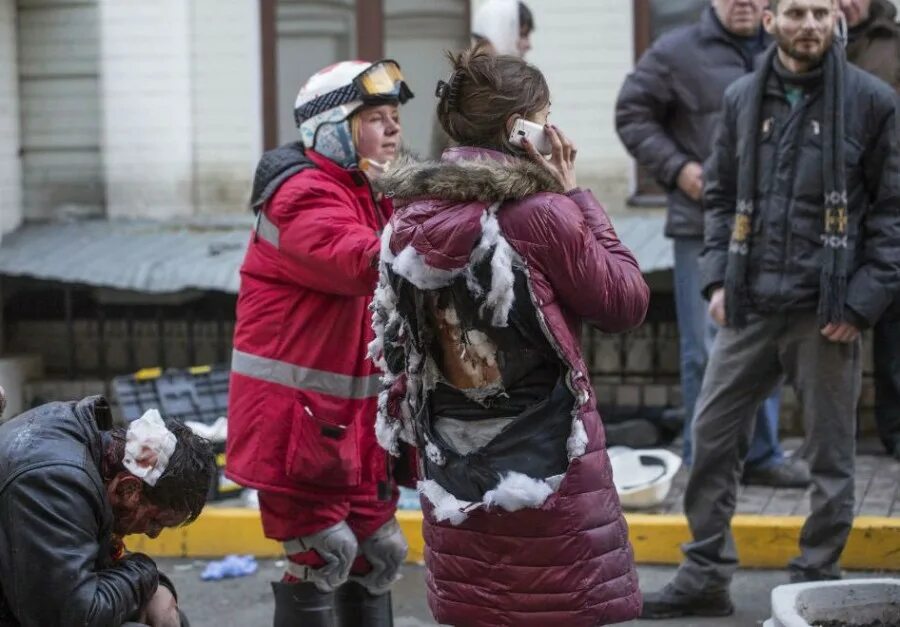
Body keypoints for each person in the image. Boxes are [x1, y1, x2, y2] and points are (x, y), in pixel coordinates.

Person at [369, 47, 648, 627]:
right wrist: (577, 198)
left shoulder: (405, 219)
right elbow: (625, 303)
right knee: (553, 603)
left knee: (483, 602)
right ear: (518, 130)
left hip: (452, 458)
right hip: (548, 459)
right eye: (545, 116)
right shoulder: (542, 214)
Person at [641, 0, 900, 618]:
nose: (807, 23)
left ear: (834, 19)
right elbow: (721, 196)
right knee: (710, 440)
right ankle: (704, 574)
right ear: (771, 21)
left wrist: (863, 301)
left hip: (828, 308)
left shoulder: (871, 100)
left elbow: (892, 213)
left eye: (818, 11)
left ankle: (817, 578)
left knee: (831, 460)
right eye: (794, 11)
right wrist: (716, 282)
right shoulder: (741, 98)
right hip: (749, 303)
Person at [226, 59, 414, 627]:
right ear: (333, 125)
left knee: (379, 555)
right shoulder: (301, 195)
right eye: (376, 117)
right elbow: (364, 261)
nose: (393, 128)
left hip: (355, 426)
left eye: (395, 117)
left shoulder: (370, 188)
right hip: (299, 428)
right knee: (323, 556)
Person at [615, 0, 811, 488]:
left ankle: (762, 456)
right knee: (705, 348)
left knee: (766, 344)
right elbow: (631, 112)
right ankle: (711, 460)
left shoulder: (784, 46)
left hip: (771, 226)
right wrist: (678, 170)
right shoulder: (675, 51)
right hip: (700, 225)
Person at [0, 395, 216, 627]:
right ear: (128, 488)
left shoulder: (96, 455)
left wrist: (156, 586)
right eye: (155, 521)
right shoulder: (56, 481)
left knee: (166, 615)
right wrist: (146, 572)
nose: (153, 533)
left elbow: (84, 556)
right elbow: (79, 615)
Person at [840, 0, 900, 461]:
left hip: (889, 199)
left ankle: (894, 432)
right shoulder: (817, 43)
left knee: (894, 331)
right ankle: (838, 437)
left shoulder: (893, 43)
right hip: (833, 209)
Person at [429, 0, 534, 158]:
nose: (528, 44)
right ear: (501, 30)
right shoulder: (473, 84)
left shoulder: (469, 77)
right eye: (523, 34)